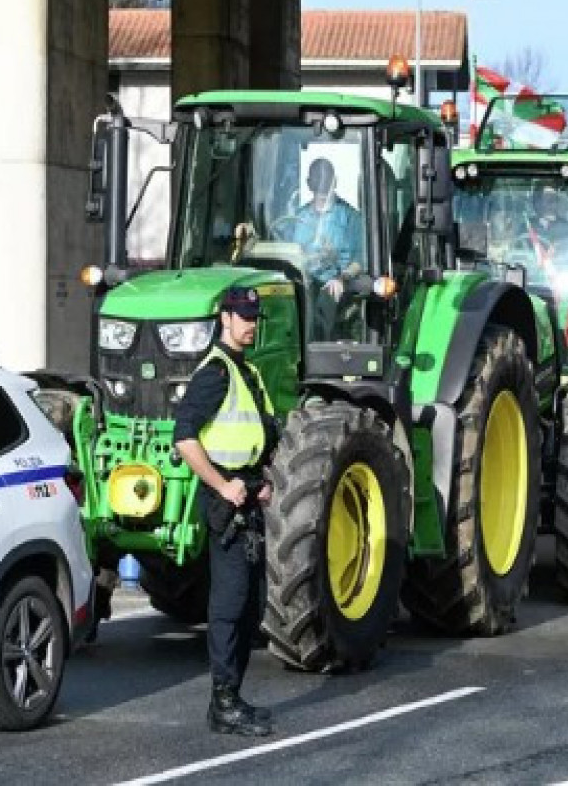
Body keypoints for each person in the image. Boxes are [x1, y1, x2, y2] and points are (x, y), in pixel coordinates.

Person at [173, 286, 278, 737]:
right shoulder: (214, 373)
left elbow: (260, 434)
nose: (251, 324)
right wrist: (223, 485)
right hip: (225, 503)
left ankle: (234, 694)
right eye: (243, 317)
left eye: (255, 317)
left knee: (250, 608)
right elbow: (184, 438)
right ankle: (222, 702)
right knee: (229, 604)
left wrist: (263, 481)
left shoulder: (247, 371)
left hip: (249, 497)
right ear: (225, 319)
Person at [291, 158, 365, 339]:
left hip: (333, 282)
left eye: (326, 179)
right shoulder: (298, 217)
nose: (321, 184)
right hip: (301, 280)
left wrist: (341, 278)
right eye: (317, 180)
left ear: (335, 181)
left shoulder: (349, 217)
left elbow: (360, 260)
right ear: (309, 184)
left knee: (323, 303)